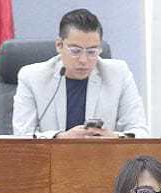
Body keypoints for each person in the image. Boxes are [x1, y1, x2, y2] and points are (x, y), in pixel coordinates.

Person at [13, 8, 149, 139]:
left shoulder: (118, 74)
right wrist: (60, 138)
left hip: (102, 154)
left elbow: (140, 132)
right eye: (75, 51)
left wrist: (114, 138)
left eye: (92, 52)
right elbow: (22, 135)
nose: (83, 60)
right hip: (50, 155)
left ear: (100, 48)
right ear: (59, 45)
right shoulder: (32, 77)